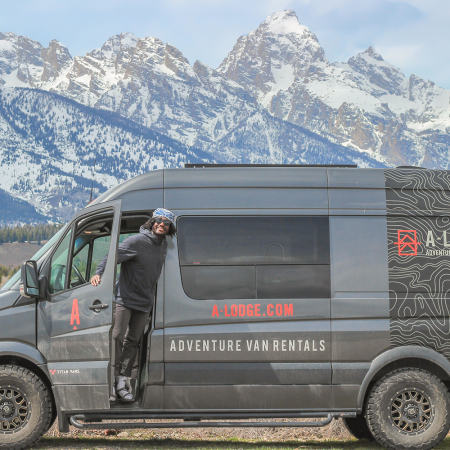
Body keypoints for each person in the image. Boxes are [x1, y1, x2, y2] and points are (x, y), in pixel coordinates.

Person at [91, 208, 176, 402]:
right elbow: (111, 258)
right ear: (152, 222)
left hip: (145, 301)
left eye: (166, 223)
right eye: (159, 220)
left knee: (133, 342)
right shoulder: (136, 241)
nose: (162, 224)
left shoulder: (163, 245)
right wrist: (98, 273)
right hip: (125, 298)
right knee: (117, 337)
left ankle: (122, 383)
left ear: (170, 228)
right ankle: (110, 383)